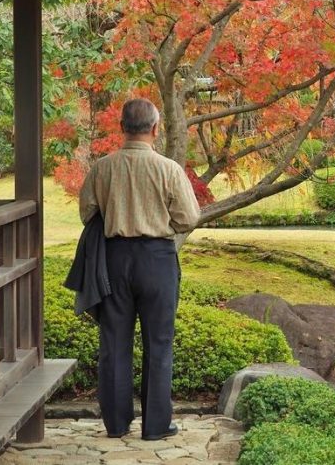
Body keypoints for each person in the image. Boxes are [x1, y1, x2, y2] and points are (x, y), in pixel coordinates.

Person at [79, 98, 200, 440]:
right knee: (158, 343)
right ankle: (156, 426)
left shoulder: (103, 168)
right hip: (157, 259)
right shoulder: (168, 169)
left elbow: (87, 211)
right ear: (156, 129)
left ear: (121, 127)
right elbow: (189, 218)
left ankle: (116, 425)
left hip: (113, 259)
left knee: (114, 342)